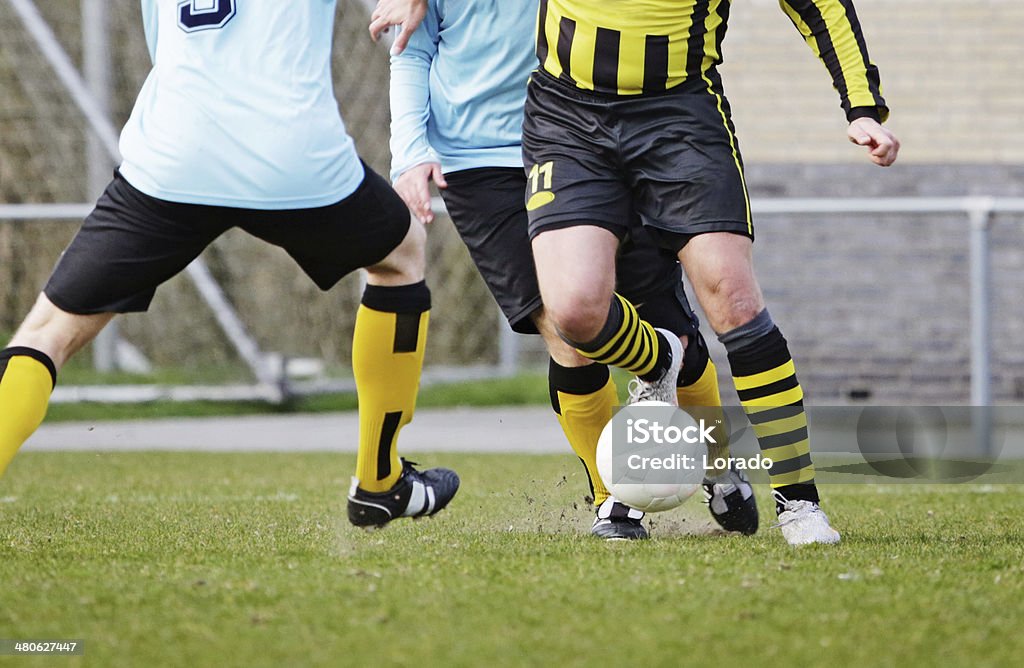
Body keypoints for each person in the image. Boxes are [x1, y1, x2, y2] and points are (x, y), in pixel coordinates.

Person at [372, 0, 900, 545]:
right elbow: (420, 44)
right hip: (558, 123)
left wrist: (860, 104)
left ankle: (795, 501)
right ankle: (635, 434)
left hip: (677, 116)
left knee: (730, 300)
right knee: (571, 317)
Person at [0, 0, 458, 529]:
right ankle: (380, 482)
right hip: (288, 152)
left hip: (175, 152)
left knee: (46, 332)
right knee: (400, 255)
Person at [387, 0, 757, 540]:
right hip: (479, 164)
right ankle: (616, 497)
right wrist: (409, 151)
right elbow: (408, 51)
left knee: (663, 316)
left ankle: (718, 461)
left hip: (594, 138)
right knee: (568, 332)